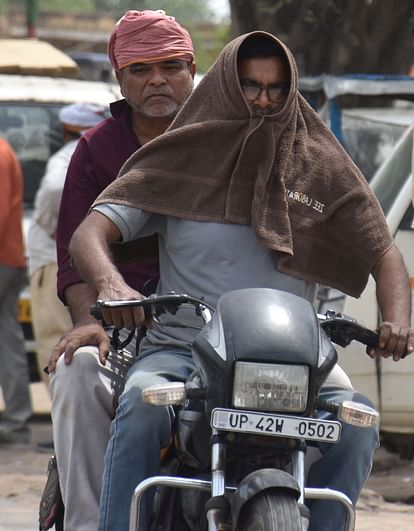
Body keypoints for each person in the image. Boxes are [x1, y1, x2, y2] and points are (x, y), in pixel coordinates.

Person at [69, 31, 414, 531]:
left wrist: (398, 318)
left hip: (297, 361)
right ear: (226, 86)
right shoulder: (178, 157)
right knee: (142, 407)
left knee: (358, 424)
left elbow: (385, 254)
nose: (264, 100)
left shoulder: (322, 167)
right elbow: (90, 233)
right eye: (251, 86)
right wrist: (111, 284)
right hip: (183, 351)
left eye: (277, 89)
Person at [48, 9, 196, 531]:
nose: (157, 79)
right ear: (120, 78)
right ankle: (91, 522)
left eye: (171, 65)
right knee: (76, 372)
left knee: (332, 403)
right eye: (140, 68)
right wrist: (89, 320)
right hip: (126, 321)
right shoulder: (95, 149)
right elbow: (74, 252)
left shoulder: (224, 138)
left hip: (219, 320)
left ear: (193, 70)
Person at [28, 102, 105, 389]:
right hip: (87, 264)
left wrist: (54, 227)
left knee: (56, 341)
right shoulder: (99, 152)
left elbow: (53, 188)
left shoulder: (67, 155)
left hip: (53, 262)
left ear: (64, 131)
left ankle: (62, 428)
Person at [0, 138, 32, 444]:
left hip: (2, 259)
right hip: (9, 257)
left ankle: (16, 420)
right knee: (8, 340)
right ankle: (16, 421)